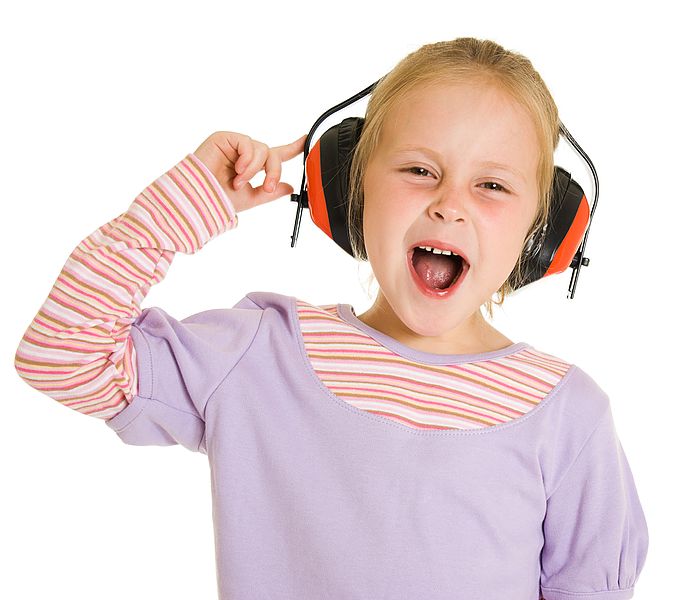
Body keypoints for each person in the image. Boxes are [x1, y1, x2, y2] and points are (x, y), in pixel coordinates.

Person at [14, 37, 648, 600]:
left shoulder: (568, 417)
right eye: (420, 170)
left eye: (493, 186)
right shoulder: (262, 354)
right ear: (351, 187)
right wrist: (186, 203)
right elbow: (61, 356)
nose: (450, 206)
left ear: (543, 231)